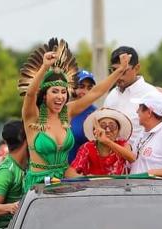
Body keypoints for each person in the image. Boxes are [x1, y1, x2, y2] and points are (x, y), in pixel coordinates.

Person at [20, 44, 131, 191]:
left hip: (65, 181)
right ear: (44, 94)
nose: (60, 96)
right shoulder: (32, 116)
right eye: (55, 91)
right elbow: (30, 94)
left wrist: (120, 70)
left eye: (63, 92)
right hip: (39, 186)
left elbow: (95, 93)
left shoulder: (67, 112)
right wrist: (44, 67)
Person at [103, 46, 158, 147]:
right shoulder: (111, 96)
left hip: (142, 160)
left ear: (137, 68)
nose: (118, 75)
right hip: (113, 160)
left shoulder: (152, 95)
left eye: (123, 71)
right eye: (115, 70)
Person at [0, 121, 28, 229]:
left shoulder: (29, 166)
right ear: (27, 140)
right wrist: (12, 207)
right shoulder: (6, 171)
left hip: (20, 228)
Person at [67, 108, 135, 177]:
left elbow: (132, 158)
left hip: (117, 186)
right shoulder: (87, 147)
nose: (107, 130)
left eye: (112, 126)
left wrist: (107, 141)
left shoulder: (122, 144)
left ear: (118, 131)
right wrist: (86, 178)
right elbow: (69, 173)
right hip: (93, 186)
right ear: (95, 131)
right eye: (103, 126)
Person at [68, 70, 98, 162]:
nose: (85, 91)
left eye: (90, 88)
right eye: (81, 87)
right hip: (59, 167)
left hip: (82, 171)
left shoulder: (95, 113)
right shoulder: (62, 110)